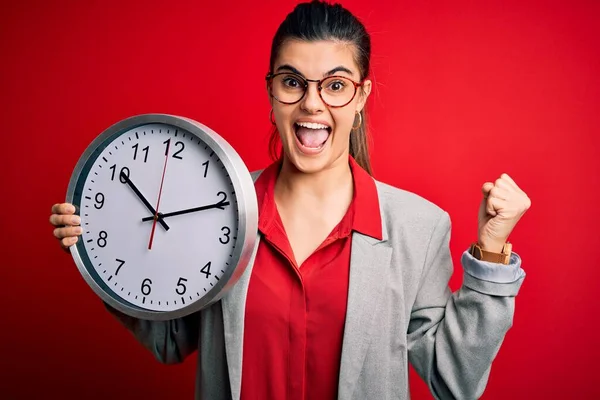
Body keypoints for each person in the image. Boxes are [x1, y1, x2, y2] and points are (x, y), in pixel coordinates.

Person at [49, 1, 531, 399]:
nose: (312, 104)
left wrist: (491, 252)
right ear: (272, 92)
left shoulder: (418, 227)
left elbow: (454, 379)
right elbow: (173, 340)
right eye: (293, 81)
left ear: (361, 97)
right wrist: (101, 257)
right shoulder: (214, 207)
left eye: (336, 86)